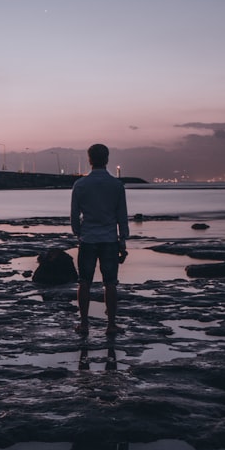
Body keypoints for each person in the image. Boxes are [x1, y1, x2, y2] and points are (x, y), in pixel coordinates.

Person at [70, 143, 129, 336]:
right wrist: (123, 241)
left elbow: (74, 216)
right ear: (107, 159)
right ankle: (111, 324)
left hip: (88, 238)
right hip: (109, 239)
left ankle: (84, 323)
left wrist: (79, 233)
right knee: (110, 282)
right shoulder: (116, 185)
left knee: (84, 282)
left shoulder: (80, 185)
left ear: (89, 159)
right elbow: (122, 216)